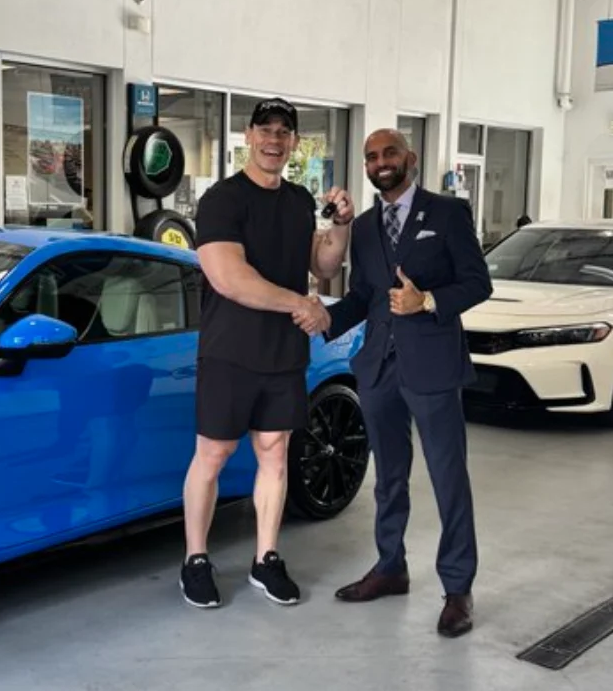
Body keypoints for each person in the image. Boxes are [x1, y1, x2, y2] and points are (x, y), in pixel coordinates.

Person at [180, 97, 354, 609]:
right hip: (230, 351)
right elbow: (229, 278)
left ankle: (266, 558)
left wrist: (342, 224)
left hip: (283, 352)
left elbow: (324, 266)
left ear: (294, 142)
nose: (274, 140)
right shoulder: (222, 200)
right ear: (249, 136)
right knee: (213, 454)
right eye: (265, 130)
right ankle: (195, 559)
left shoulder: (299, 200)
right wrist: (301, 304)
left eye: (283, 132)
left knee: (275, 453)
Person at [317, 128, 492, 637]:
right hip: (378, 368)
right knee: (388, 478)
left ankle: (457, 588)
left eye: (389, 152)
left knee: (447, 478)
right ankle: (390, 566)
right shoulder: (364, 227)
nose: (381, 162)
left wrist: (428, 301)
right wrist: (324, 317)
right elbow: (363, 296)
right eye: (371, 156)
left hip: (432, 365)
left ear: (409, 158)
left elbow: (478, 282)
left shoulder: (448, 213)